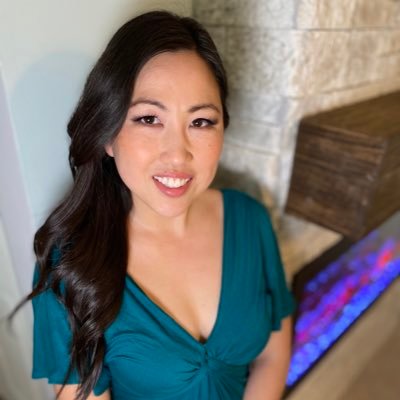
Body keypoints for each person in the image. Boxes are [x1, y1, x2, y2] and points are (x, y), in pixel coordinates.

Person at [27, 10, 295, 400]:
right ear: (107, 135)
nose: (177, 153)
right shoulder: (69, 264)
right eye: (149, 119)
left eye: (201, 122)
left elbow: (273, 354)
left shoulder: (250, 219)